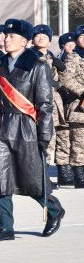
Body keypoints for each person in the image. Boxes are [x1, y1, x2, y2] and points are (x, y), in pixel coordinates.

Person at [0, 19, 65, 241]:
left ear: (24, 41)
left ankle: (54, 210)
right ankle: (5, 228)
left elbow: (45, 106)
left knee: (32, 179)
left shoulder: (38, 67)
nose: (7, 39)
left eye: (12, 36)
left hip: (26, 127)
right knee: (1, 180)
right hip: (2, 127)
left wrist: (44, 135)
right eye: (5, 36)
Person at [31, 24, 67, 170]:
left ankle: (44, 174)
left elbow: (63, 82)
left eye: (44, 37)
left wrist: (62, 71)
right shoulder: (28, 57)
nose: (40, 38)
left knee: (49, 140)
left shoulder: (53, 58)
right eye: (37, 36)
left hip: (51, 105)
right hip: (33, 104)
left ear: (49, 41)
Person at [58, 26, 84, 188]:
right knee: (79, 143)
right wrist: (82, 91)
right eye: (82, 36)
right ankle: (79, 175)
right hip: (79, 107)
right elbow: (67, 79)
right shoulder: (74, 58)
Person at [54, 32, 77, 186]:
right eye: (68, 44)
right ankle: (64, 173)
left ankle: (72, 172)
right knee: (62, 139)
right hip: (60, 102)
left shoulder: (78, 58)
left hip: (72, 104)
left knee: (73, 140)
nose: (71, 46)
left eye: (73, 43)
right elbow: (58, 80)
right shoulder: (58, 59)